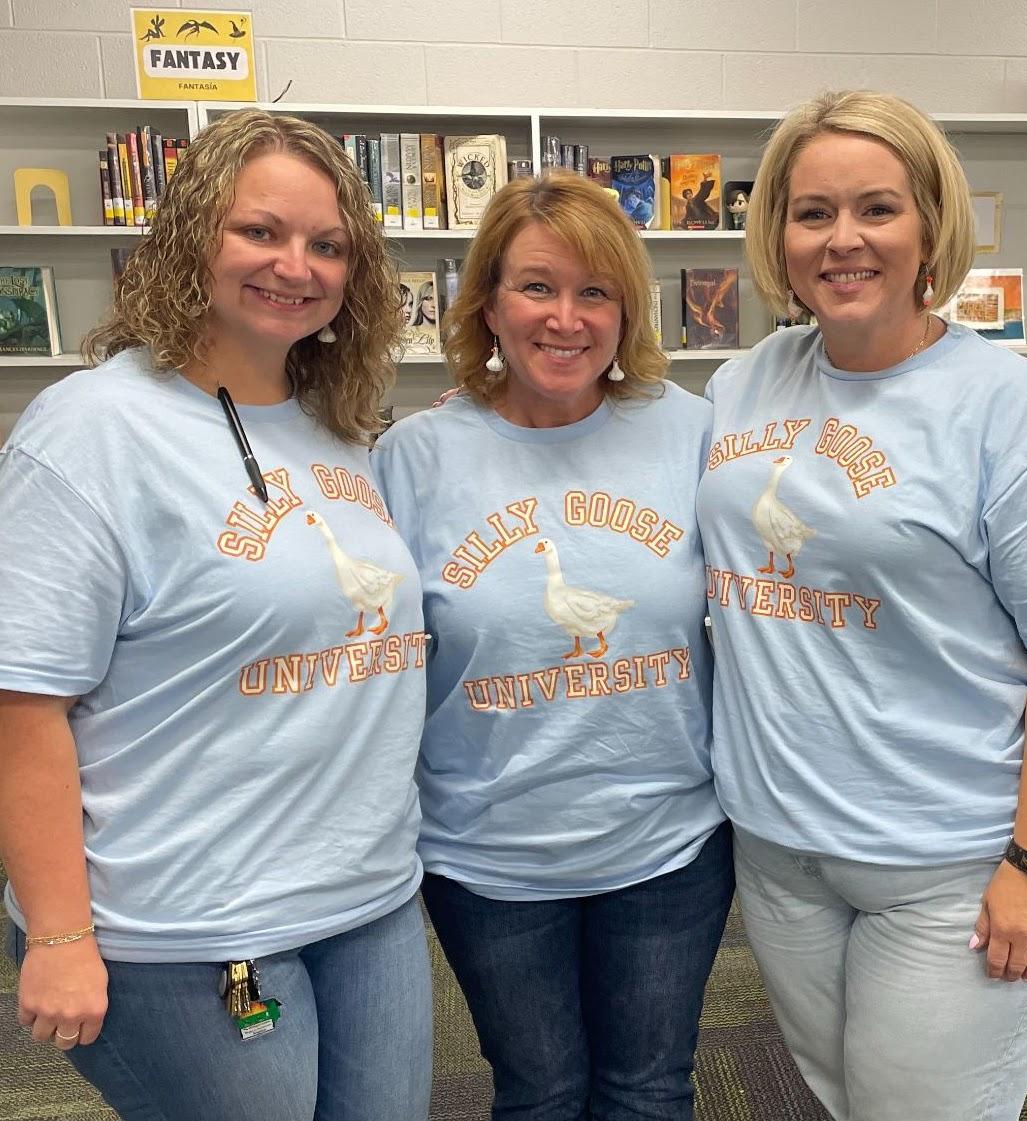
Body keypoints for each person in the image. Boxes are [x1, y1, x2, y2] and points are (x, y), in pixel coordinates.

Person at [0, 108, 433, 1121]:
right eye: (261, 232)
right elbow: (22, 703)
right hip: (189, 920)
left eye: (328, 244)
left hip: (366, 897)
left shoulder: (339, 428)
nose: (297, 265)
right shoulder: (93, 430)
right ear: (193, 237)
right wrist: (60, 933)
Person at [698, 89, 1027, 1121]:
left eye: (876, 209)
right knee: (848, 1097)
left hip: (960, 858)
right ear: (777, 235)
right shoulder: (745, 382)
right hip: (785, 846)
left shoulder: (1018, 412)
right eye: (812, 212)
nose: (843, 240)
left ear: (930, 226)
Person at [372, 171, 733, 1121]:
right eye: (536, 287)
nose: (564, 319)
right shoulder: (412, 457)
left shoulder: (690, 430)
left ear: (625, 309)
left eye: (594, 291)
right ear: (487, 299)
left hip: (666, 846)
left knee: (649, 1088)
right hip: (488, 854)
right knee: (538, 1093)